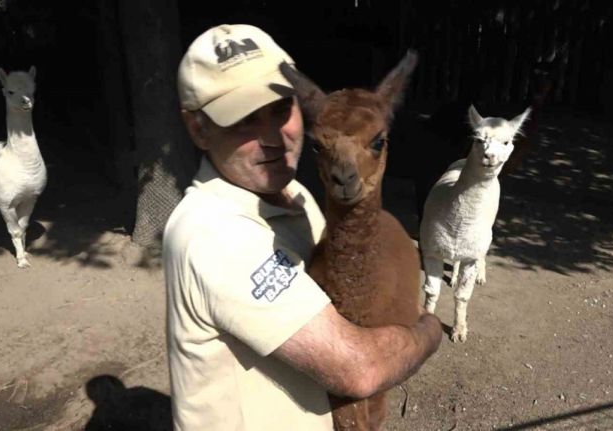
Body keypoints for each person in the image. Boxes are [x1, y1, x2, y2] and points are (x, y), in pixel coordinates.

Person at [163, 23, 443, 431]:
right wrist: (428, 331)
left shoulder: (295, 197)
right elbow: (357, 368)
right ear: (198, 129)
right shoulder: (211, 232)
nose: (273, 137)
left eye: (281, 110)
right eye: (243, 121)